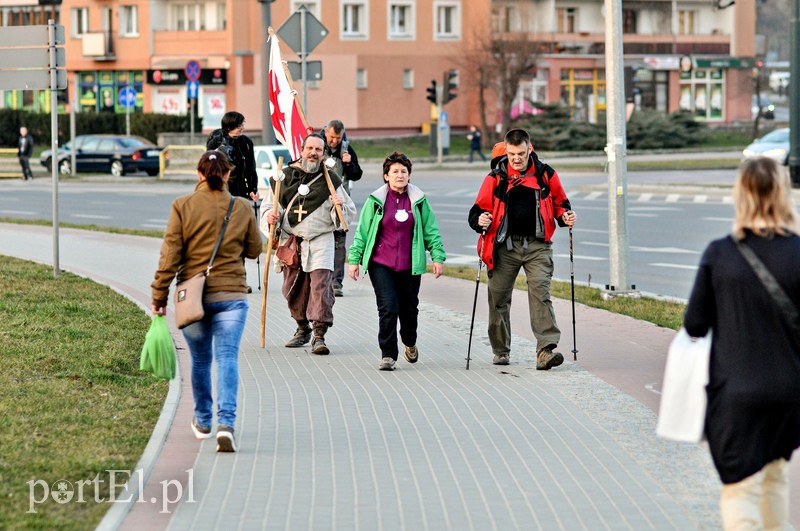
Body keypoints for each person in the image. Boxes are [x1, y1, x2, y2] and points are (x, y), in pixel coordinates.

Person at [684, 156, 800, 531]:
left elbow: (695, 325)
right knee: (775, 478)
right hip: (789, 393)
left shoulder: (721, 254)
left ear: (741, 196)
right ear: (782, 195)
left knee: (741, 489)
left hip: (737, 395)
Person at [151, 151, 262, 453]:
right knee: (227, 358)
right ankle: (226, 424)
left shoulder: (182, 206)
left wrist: (159, 296)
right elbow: (254, 250)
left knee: (200, 360)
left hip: (192, 298)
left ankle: (203, 420)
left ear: (199, 174)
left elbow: (170, 256)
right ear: (228, 174)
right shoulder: (241, 207)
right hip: (232, 297)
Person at [467, 128, 575, 369]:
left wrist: (565, 216)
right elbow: (477, 211)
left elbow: (560, 203)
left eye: (522, 153)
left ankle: (545, 350)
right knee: (498, 298)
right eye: (513, 153)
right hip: (504, 246)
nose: (517, 158)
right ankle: (501, 349)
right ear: (506, 150)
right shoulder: (495, 178)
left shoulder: (545, 174)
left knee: (540, 293)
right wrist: (480, 220)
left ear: (530, 149)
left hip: (538, 246)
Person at [347, 152, 446, 371]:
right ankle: (388, 354)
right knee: (388, 307)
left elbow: (431, 231)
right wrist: (354, 260)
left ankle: (409, 342)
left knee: (409, 309)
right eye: (395, 171)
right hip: (380, 263)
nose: (399, 175)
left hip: (410, 265)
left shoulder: (419, 201)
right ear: (386, 176)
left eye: (404, 171)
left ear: (409, 175)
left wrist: (437, 257)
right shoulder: (376, 201)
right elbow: (362, 233)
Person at [260, 133, 356, 355]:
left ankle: (319, 335)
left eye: (318, 150)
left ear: (323, 155)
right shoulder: (284, 178)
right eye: (310, 148)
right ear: (301, 150)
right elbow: (268, 207)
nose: (313, 153)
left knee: (320, 288)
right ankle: (302, 327)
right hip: (293, 242)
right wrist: (270, 218)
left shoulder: (330, 180)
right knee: (292, 289)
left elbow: (348, 213)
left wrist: (338, 206)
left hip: (321, 240)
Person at [323, 119, 363, 297]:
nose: (334, 141)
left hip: (341, 202)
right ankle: (320, 280)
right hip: (320, 202)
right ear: (326, 133)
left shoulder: (346, 148)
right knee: (321, 242)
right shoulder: (317, 147)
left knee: (339, 243)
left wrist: (348, 163)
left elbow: (357, 174)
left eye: (337, 138)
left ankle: (336, 283)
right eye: (332, 137)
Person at [206, 111, 259, 202]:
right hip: (221, 186)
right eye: (239, 125)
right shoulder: (216, 141)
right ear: (229, 126)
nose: (242, 128)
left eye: (242, 124)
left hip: (240, 187)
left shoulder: (246, 142)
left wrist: (252, 189)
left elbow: (251, 168)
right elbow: (209, 166)